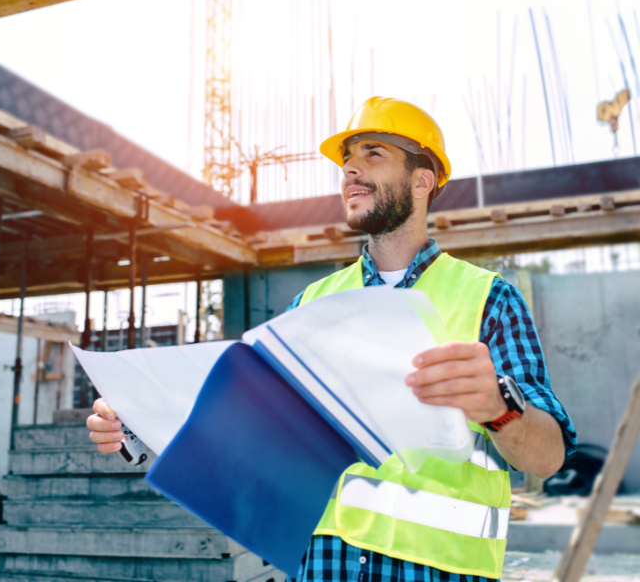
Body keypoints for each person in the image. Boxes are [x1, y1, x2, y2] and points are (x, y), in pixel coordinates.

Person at [86, 96, 576, 582]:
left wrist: (498, 408)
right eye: (347, 160)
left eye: (373, 154)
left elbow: (547, 457)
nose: (350, 170)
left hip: (438, 571)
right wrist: (141, 416)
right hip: (322, 568)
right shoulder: (313, 304)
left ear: (422, 181)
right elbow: (258, 429)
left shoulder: (488, 298)